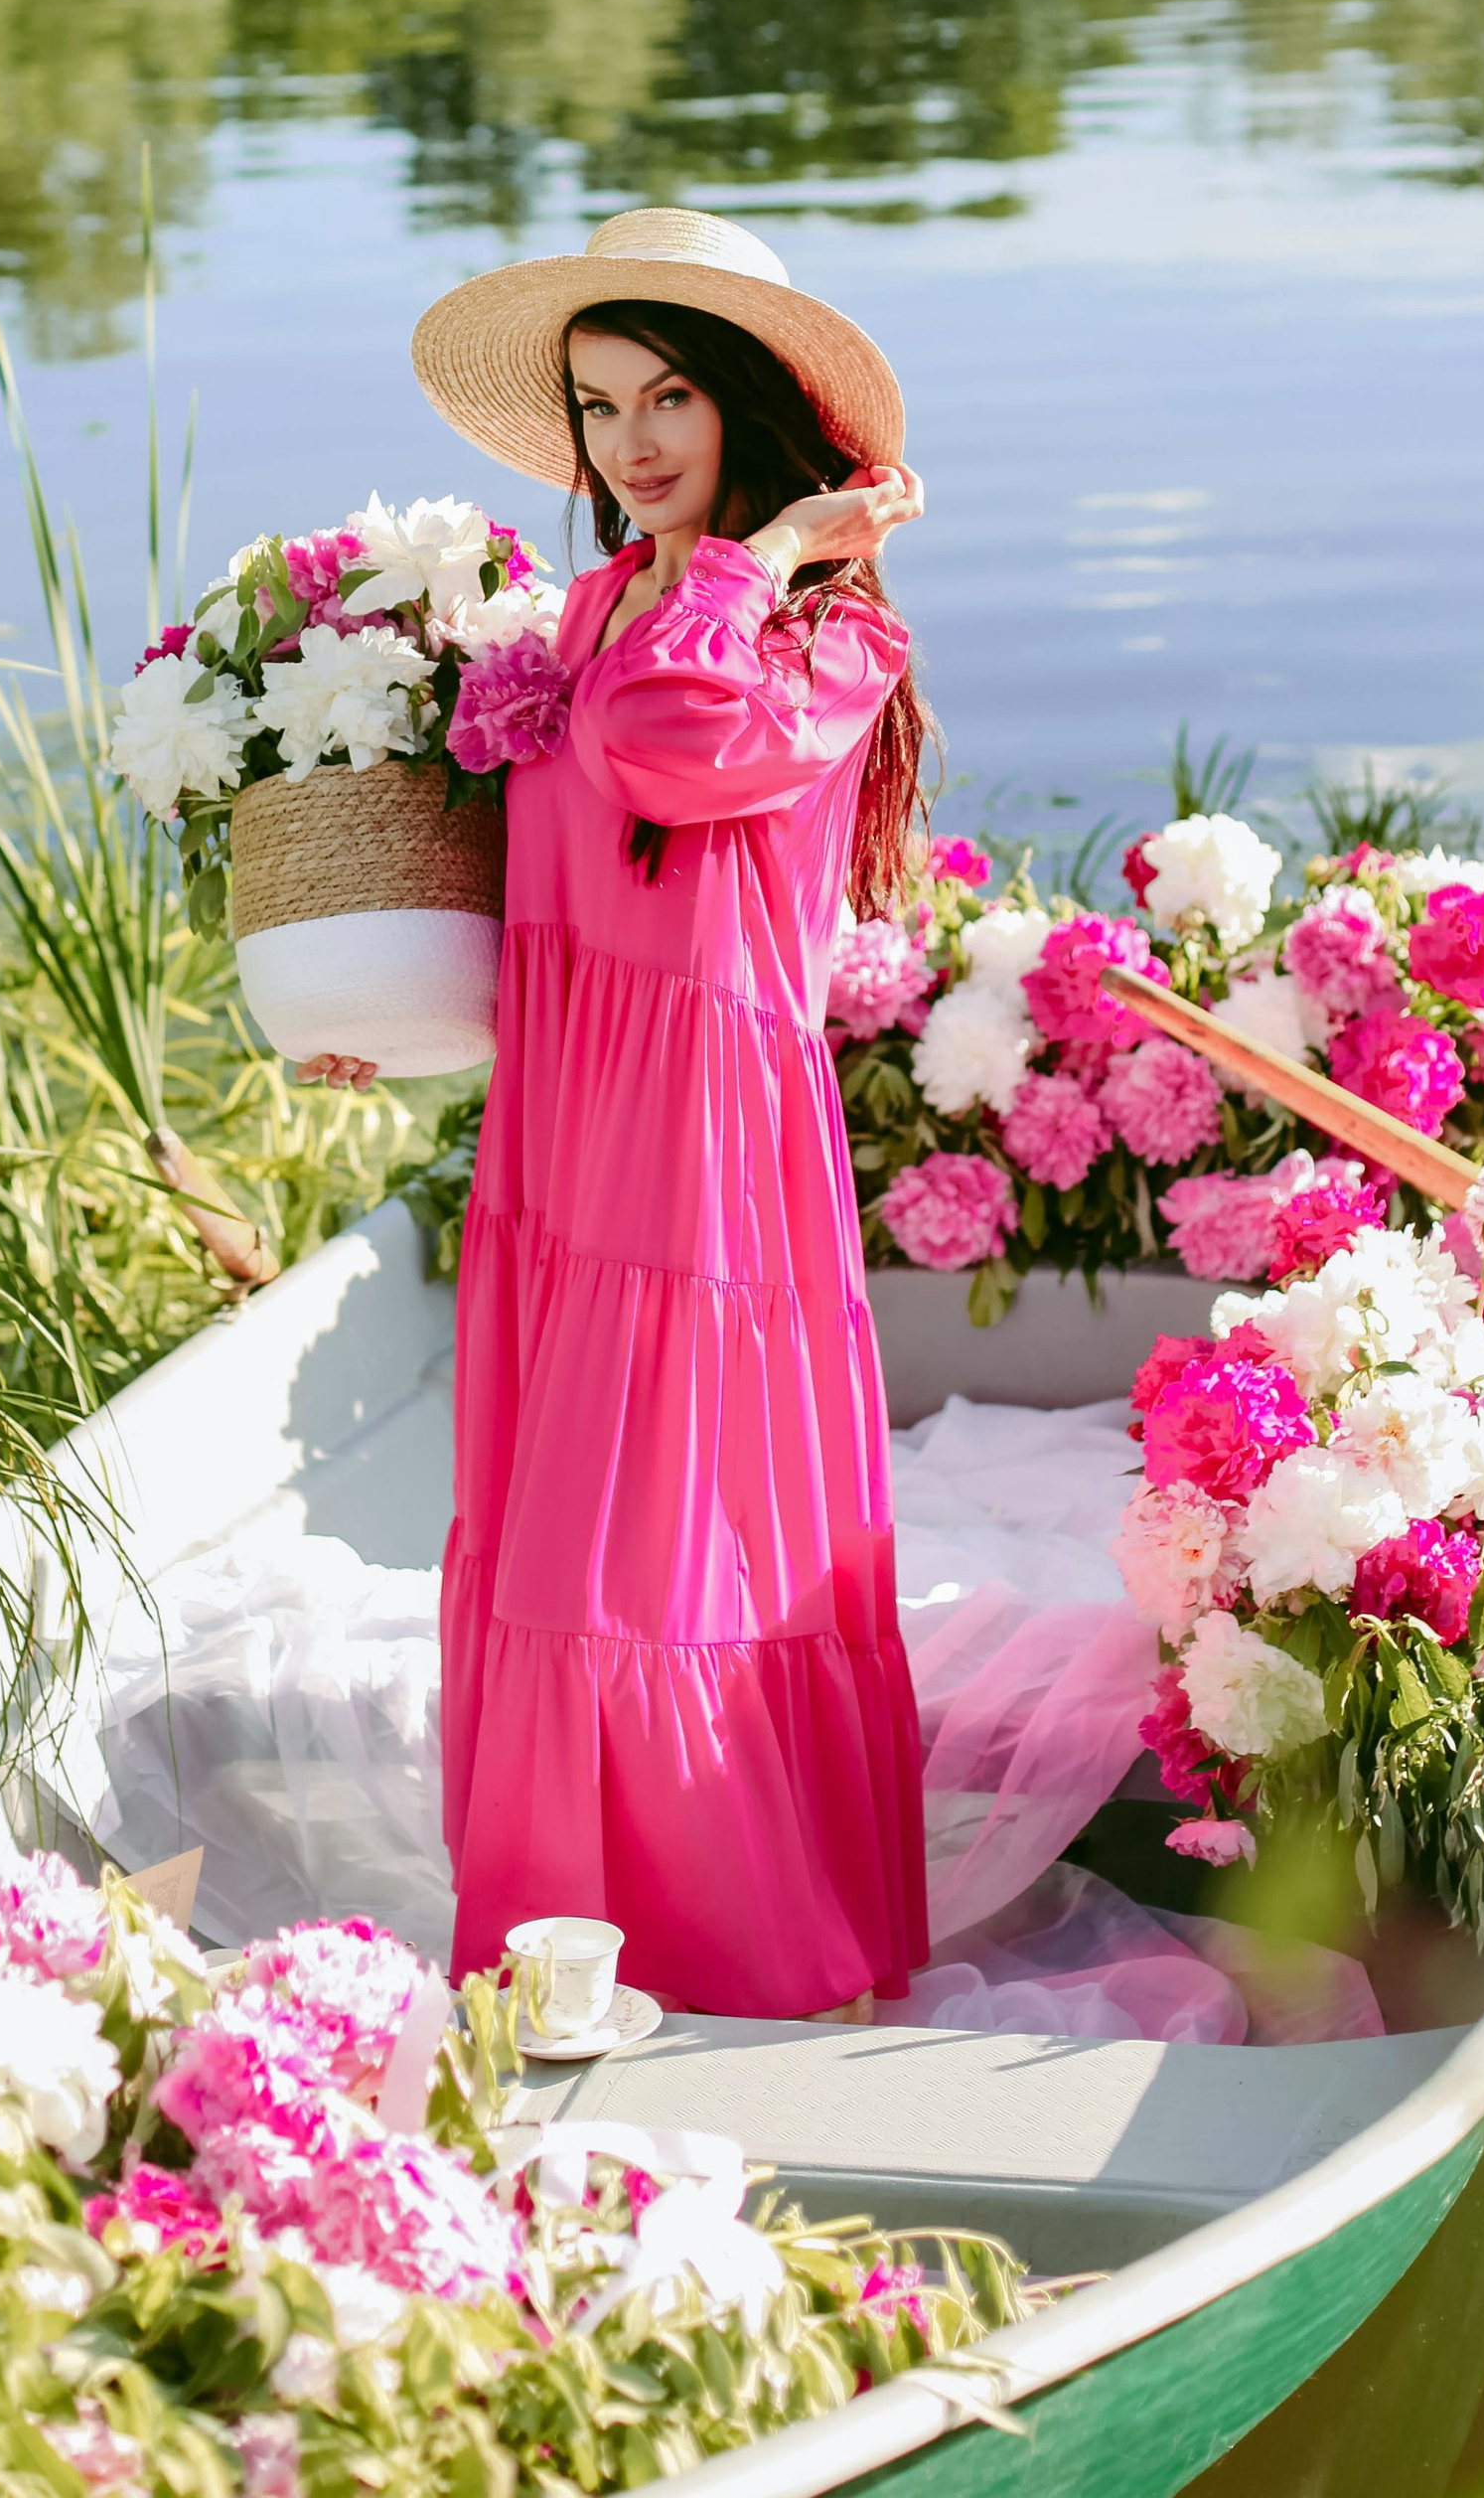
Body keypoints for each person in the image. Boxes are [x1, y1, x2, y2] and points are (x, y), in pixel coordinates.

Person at [313, 207, 934, 2018]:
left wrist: (780, 550)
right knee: (549, 1517)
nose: (630, 445)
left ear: (753, 406)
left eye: (671, 397)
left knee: (650, 1525)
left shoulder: (832, 635)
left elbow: (671, 750)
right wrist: (390, 1009)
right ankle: (565, 1930)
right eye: (596, 407)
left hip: (705, 1135)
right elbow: (550, 873)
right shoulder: (593, 610)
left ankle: (718, 1931)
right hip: (569, 1118)